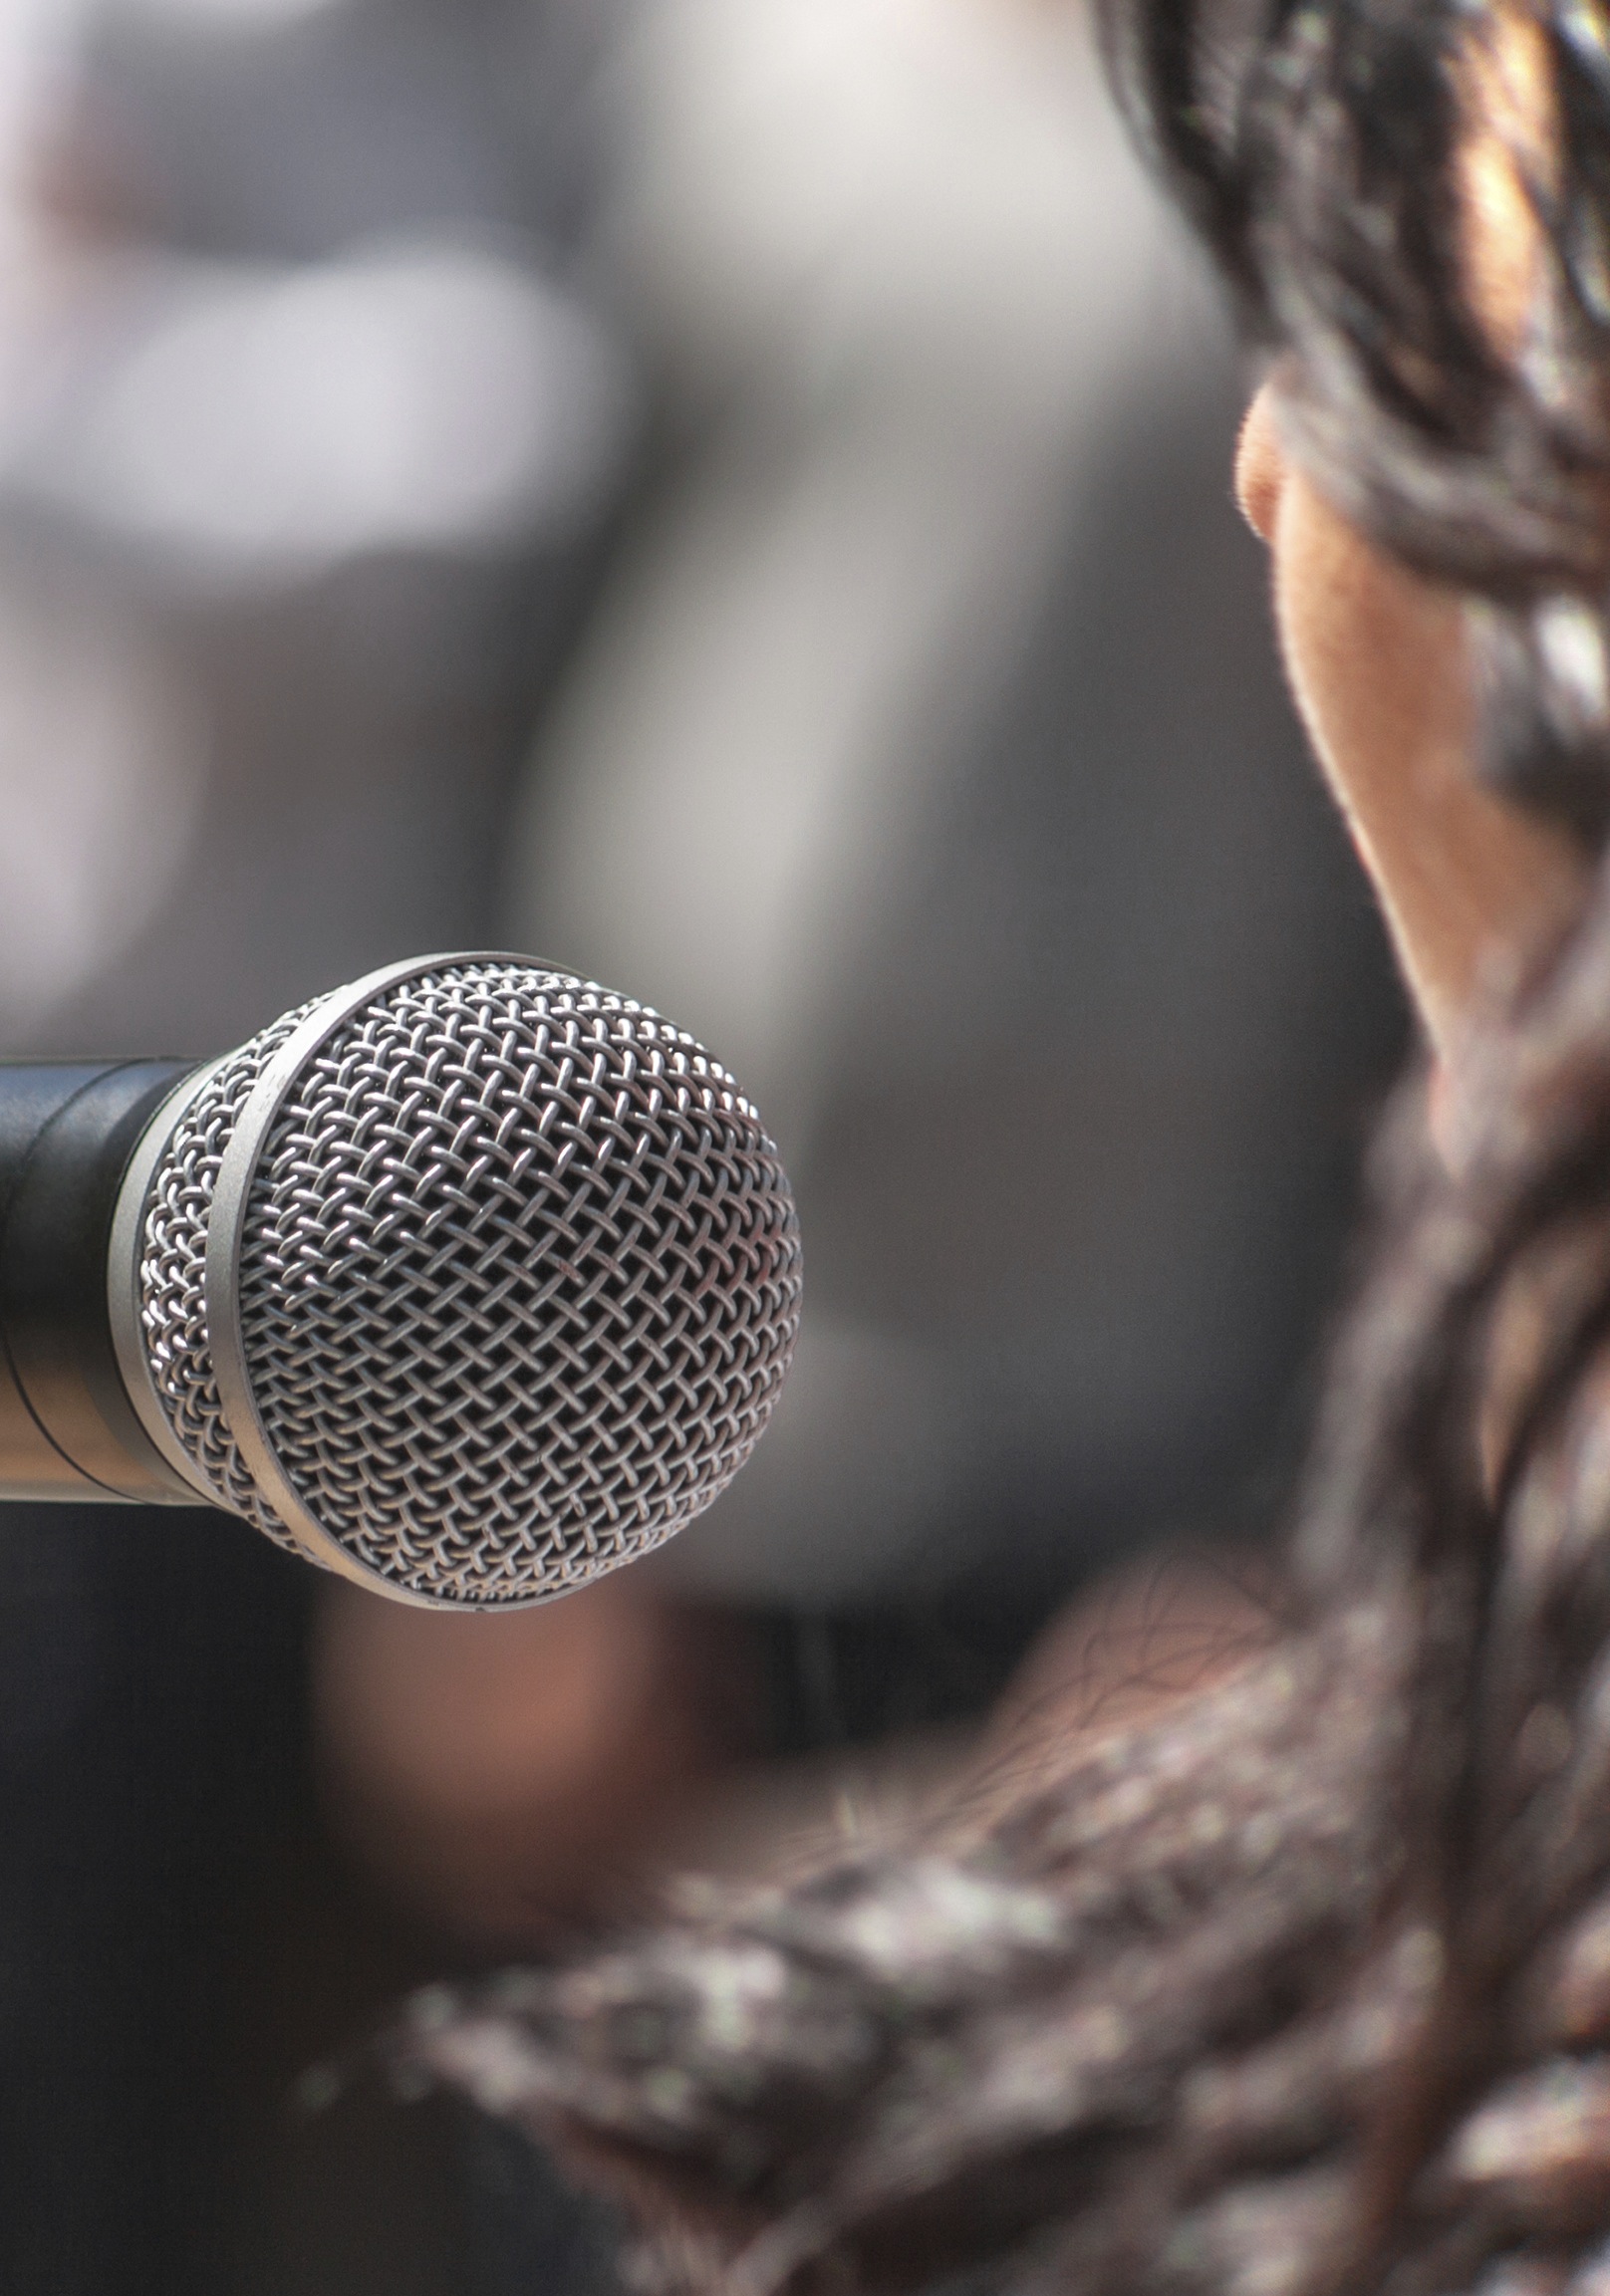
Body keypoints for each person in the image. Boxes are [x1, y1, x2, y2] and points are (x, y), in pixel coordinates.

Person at [409, 2, 1610, 2288]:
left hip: (1128, 1442)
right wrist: (476, 1469)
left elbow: (1391, 982)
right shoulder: (727, 85)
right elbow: (517, 708)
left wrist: (1288, 1525)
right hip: (690, 1420)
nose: (1287, 456)